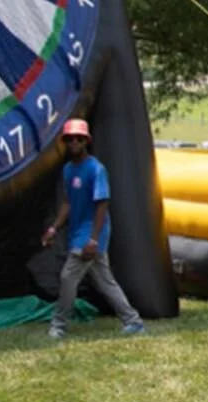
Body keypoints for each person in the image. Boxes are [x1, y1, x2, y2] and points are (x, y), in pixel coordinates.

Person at [41, 118, 146, 340]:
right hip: (79, 233)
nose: (74, 142)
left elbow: (102, 204)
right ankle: (133, 321)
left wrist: (93, 239)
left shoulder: (96, 170)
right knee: (105, 281)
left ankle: (58, 325)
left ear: (86, 141)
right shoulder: (69, 170)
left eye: (79, 138)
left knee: (68, 277)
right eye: (69, 139)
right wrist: (54, 228)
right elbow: (68, 203)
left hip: (90, 235)